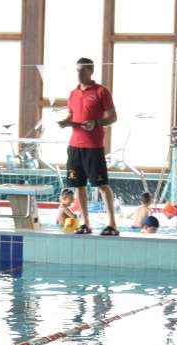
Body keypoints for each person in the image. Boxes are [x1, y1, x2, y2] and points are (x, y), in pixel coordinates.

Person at [59, 58, 119, 236]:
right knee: (78, 185)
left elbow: (113, 117)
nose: (79, 73)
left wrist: (97, 122)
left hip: (93, 147)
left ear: (91, 72)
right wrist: (66, 121)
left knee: (101, 185)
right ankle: (85, 223)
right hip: (74, 146)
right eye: (77, 70)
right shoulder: (73, 94)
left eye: (83, 70)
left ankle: (112, 224)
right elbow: (72, 114)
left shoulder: (101, 92)